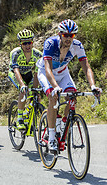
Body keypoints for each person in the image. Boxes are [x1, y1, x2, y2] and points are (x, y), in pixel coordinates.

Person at [36, 19, 101, 153]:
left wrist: (93, 86)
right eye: (65, 35)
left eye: (71, 35)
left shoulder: (77, 46)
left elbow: (86, 67)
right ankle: (52, 137)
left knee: (72, 97)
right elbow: (47, 69)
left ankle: (64, 126)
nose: (68, 38)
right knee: (53, 98)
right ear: (59, 34)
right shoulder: (50, 43)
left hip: (63, 73)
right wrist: (55, 87)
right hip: (46, 73)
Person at [8, 29, 42, 130]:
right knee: (23, 92)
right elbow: (16, 70)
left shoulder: (38, 55)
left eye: (30, 43)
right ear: (20, 44)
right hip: (15, 73)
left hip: (28, 74)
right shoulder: (15, 53)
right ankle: (19, 119)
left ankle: (31, 115)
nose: (28, 46)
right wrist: (22, 85)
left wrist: (37, 87)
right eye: (25, 43)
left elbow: (38, 72)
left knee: (37, 95)